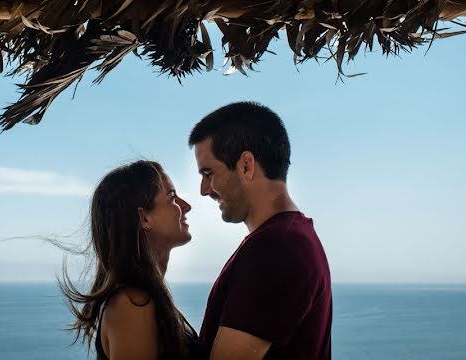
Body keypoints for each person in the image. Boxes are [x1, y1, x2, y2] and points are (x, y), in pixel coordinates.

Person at [190, 102, 332, 359]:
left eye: (208, 173)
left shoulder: (277, 248)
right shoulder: (292, 237)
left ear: (246, 165)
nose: (204, 189)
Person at [60, 160, 204, 360]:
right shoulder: (132, 305)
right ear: (144, 218)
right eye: (172, 198)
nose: (186, 206)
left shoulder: (141, 300)